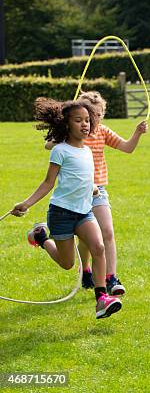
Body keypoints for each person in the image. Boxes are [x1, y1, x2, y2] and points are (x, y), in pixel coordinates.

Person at [11, 98, 122, 319]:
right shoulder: (60, 150)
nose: (85, 124)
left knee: (98, 247)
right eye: (78, 120)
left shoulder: (87, 151)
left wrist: (91, 187)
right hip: (61, 213)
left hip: (84, 212)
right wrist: (26, 204)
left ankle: (101, 298)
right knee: (67, 263)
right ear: (66, 124)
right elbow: (48, 183)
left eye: (88, 120)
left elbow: (83, 177)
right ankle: (41, 237)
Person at [45, 91, 148, 295]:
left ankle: (111, 278)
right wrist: (61, 134)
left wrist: (137, 132)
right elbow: (48, 145)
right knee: (85, 240)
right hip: (75, 194)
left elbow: (127, 148)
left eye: (98, 115)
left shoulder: (102, 131)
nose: (93, 121)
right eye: (90, 116)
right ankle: (86, 270)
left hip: (97, 190)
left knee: (107, 232)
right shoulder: (71, 136)